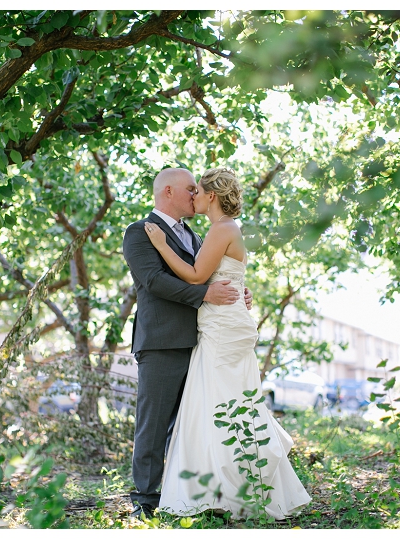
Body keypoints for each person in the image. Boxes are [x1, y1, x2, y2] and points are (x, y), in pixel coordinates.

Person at [144, 167, 311, 520]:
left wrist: (160, 244)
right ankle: (221, 488)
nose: (194, 197)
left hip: (221, 328)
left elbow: (195, 275)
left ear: (212, 197)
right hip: (218, 322)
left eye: (198, 191)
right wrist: (239, 293)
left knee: (217, 401)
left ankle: (225, 490)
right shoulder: (217, 230)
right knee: (216, 402)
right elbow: (223, 275)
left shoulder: (222, 229)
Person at [122, 167, 253, 520]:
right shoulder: (139, 232)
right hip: (163, 342)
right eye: (190, 188)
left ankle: (189, 493)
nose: (196, 194)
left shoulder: (197, 235)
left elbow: (210, 270)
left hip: (202, 341)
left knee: (192, 424)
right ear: (168, 191)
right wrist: (206, 292)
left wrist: (236, 290)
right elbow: (153, 281)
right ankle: (145, 499)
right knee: (153, 423)